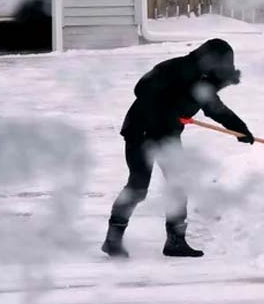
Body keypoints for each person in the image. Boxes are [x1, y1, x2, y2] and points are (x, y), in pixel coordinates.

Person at [101, 38, 254, 258]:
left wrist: (240, 129)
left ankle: (175, 242)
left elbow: (216, 109)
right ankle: (112, 239)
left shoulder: (204, 82)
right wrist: (167, 111)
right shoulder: (174, 68)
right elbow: (141, 88)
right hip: (141, 131)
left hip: (167, 136)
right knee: (138, 187)